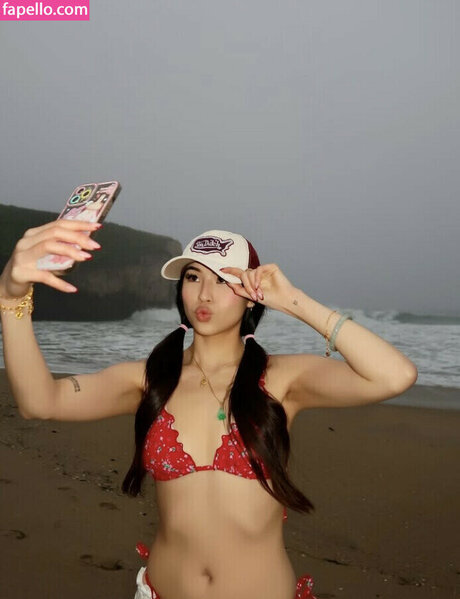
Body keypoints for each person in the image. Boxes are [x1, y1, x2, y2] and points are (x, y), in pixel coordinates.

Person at [0, 220, 418, 599]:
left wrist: (293, 301)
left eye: (223, 280)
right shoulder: (149, 381)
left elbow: (394, 376)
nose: (204, 293)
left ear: (251, 296)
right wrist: (11, 296)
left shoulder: (282, 379)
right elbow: (41, 402)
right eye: (193, 277)